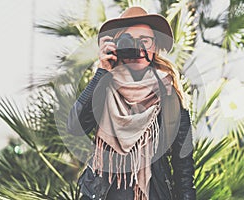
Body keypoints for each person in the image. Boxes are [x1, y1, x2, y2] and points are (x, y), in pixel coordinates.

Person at [67, 6, 196, 200]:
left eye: (145, 41)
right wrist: (101, 72)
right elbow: (74, 127)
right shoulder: (104, 88)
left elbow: (183, 169)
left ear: (155, 48)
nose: (139, 47)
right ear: (119, 45)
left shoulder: (169, 96)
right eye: (130, 40)